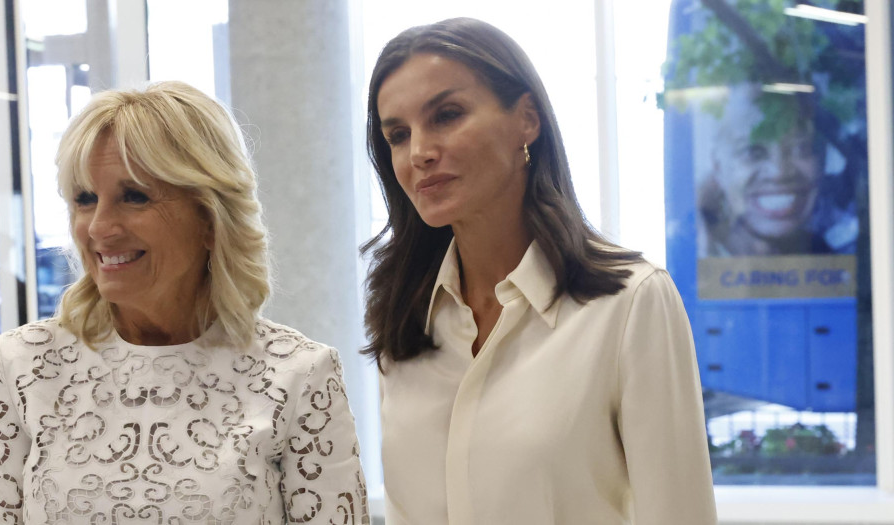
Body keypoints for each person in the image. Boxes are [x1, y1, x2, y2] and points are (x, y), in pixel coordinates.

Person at [0, 82, 368, 524]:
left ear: (210, 219)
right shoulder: (22, 366)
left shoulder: (299, 375)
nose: (98, 227)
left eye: (134, 196)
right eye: (85, 198)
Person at [363, 18, 716, 524]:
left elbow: (679, 514)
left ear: (527, 120)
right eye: (398, 134)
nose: (419, 151)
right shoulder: (405, 317)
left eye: (447, 115)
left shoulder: (630, 304)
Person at [695, 83, 854, 256]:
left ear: (823, 160)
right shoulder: (688, 256)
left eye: (801, 148)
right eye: (752, 152)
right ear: (718, 168)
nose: (779, 172)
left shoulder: (844, 257)